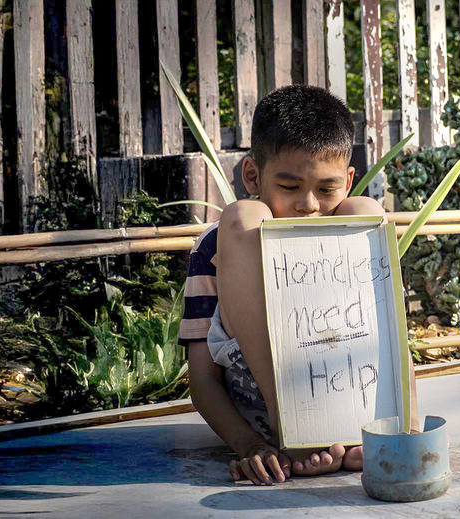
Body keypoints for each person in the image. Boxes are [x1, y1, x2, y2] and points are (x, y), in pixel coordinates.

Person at [178, 85, 417, 486]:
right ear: (252, 175)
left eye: (326, 189)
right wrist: (249, 444)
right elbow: (202, 379)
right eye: (290, 187)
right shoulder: (216, 245)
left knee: (367, 210)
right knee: (242, 218)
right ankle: (296, 425)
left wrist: (408, 431)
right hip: (269, 427)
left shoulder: (358, 231)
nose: (309, 204)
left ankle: (374, 430)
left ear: (348, 179)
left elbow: (395, 341)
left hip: (355, 412)